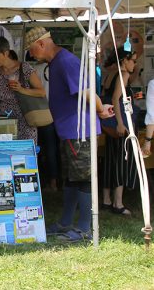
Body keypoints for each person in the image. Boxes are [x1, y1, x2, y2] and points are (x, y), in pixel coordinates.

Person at [25, 26, 113, 241]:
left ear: (41, 44)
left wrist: (101, 111)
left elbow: (88, 92)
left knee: (83, 178)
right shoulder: (57, 62)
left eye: (32, 50)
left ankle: (84, 228)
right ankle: (65, 222)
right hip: (69, 131)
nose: (31, 55)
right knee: (72, 178)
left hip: (79, 131)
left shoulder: (65, 62)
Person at [100, 47, 139, 216]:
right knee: (122, 161)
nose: (135, 64)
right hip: (120, 124)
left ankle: (106, 199)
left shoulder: (110, 74)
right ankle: (118, 202)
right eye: (134, 60)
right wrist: (120, 122)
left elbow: (106, 96)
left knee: (110, 161)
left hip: (108, 122)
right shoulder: (123, 75)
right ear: (124, 60)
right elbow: (116, 98)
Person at [0, 36, 45, 143]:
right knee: (4, 151)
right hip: (3, 118)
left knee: (25, 153)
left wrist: (21, 89)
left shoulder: (24, 68)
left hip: (25, 116)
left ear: (6, 53)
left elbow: (41, 92)